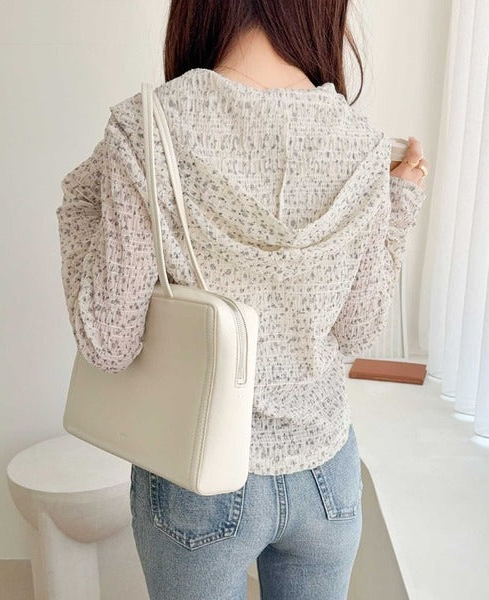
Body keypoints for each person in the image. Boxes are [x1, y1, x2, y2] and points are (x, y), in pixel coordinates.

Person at [56, 1, 429, 598]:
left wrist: (80, 206)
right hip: (325, 471)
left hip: (196, 478)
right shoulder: (361, 144)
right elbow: (358, 329)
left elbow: (108, 342)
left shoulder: (148, 128)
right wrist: (399, 204)